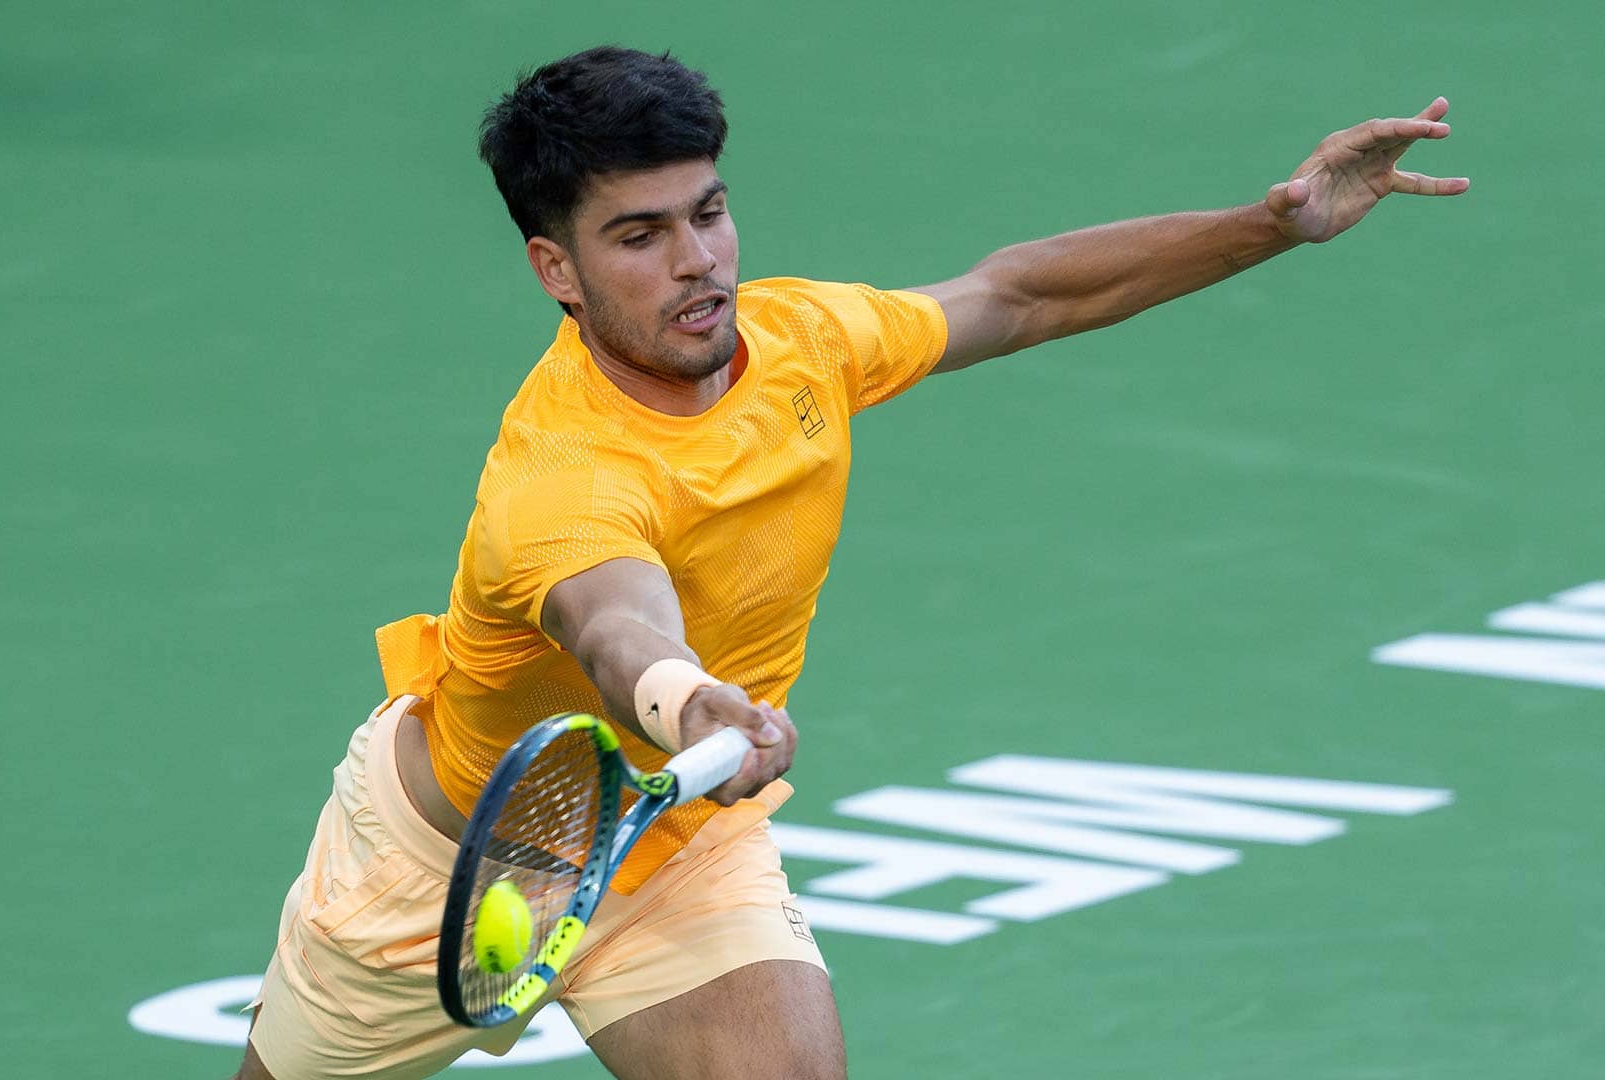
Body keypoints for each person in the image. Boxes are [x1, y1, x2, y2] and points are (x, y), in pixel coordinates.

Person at [234, 44, 1467, 1080]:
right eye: (639, 236)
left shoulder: (803, 342)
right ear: (556, 268)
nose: (698, 263)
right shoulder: (560, 477)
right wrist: (694, 704)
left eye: (708, 212)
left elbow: (1022, 296)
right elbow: (620, 631)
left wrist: (1274, 223)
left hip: (675, 843)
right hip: (440, 868)